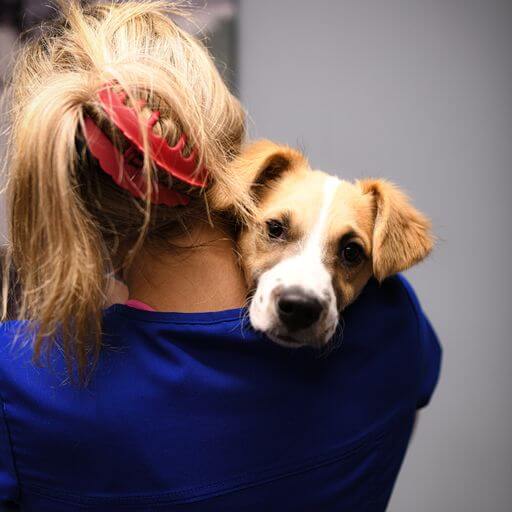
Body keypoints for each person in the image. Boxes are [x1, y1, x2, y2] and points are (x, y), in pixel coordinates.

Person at [0, 2, 441, 511]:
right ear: (226, 158)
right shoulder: (396, 325)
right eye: (276, 230)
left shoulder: (27, 383)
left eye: (349, 253)